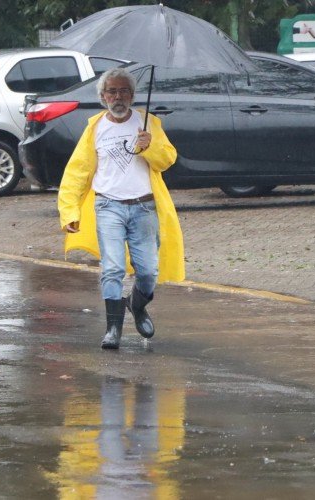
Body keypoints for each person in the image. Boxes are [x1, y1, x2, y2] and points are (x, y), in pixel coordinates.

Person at [57, 67, 185, 349]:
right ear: (102, 97)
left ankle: (137, 306)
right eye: (111, 91)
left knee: (149, 271)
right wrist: (70, 211)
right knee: (112, 268)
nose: (118, 97)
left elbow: (168, 160)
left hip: (144, 207)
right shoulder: (95, 128)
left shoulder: (148, 123)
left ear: (132, 95)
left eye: (124, 91)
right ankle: (112, 329)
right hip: (108, 207)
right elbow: (76, 173)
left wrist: (149, 146)